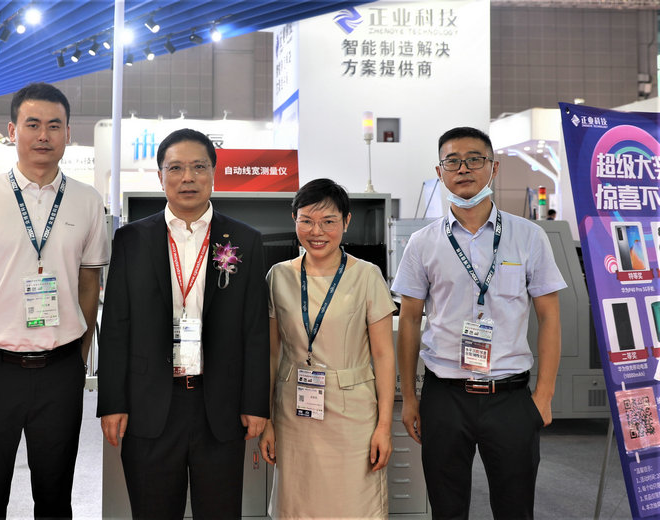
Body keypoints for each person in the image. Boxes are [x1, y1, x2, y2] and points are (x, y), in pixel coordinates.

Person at [0, 82, 110, 518]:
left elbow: (89, 287)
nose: (43, 135)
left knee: (55, 500)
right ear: (12, 131)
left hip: (59, 370)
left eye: (54, 126)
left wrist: (78, 360)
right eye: (32, 124)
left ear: (68, 134)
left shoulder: (88, 201)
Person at [392, 126, 566, 519]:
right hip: (444, 396)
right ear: (439, 172)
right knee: (447, 508)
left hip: (510, 397)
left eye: (475, 159)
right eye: (452, 161)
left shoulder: (529, 236)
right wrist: (411, 399)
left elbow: (549, 316)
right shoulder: (422, 243)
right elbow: (410, 320)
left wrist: (544, 395)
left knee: (515, 508)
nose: (463, 168)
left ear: (494, 167)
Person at [97, 128, 270, 519]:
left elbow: (256, 330)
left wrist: (255, 404)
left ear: (214, 173)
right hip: (149, 404)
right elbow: (116, 327)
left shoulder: (244, 240)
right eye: (175, 168)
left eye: (198, 167)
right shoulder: (131, 240)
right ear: (161, 176)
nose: (187, 177)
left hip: (220, 405)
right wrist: (112, 402)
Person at [258, 178, 395, 519]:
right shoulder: (278, 276)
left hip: (353, 416)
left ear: (346, 222)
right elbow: (270, 354)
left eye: (328, 221)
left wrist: (384, 426)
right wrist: (267, 420)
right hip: (294, 412)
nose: (317, 232)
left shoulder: (367, 275)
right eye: (307, 220)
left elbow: (383, 355)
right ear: (295, 219)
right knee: (297, 504)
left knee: (352, 505)